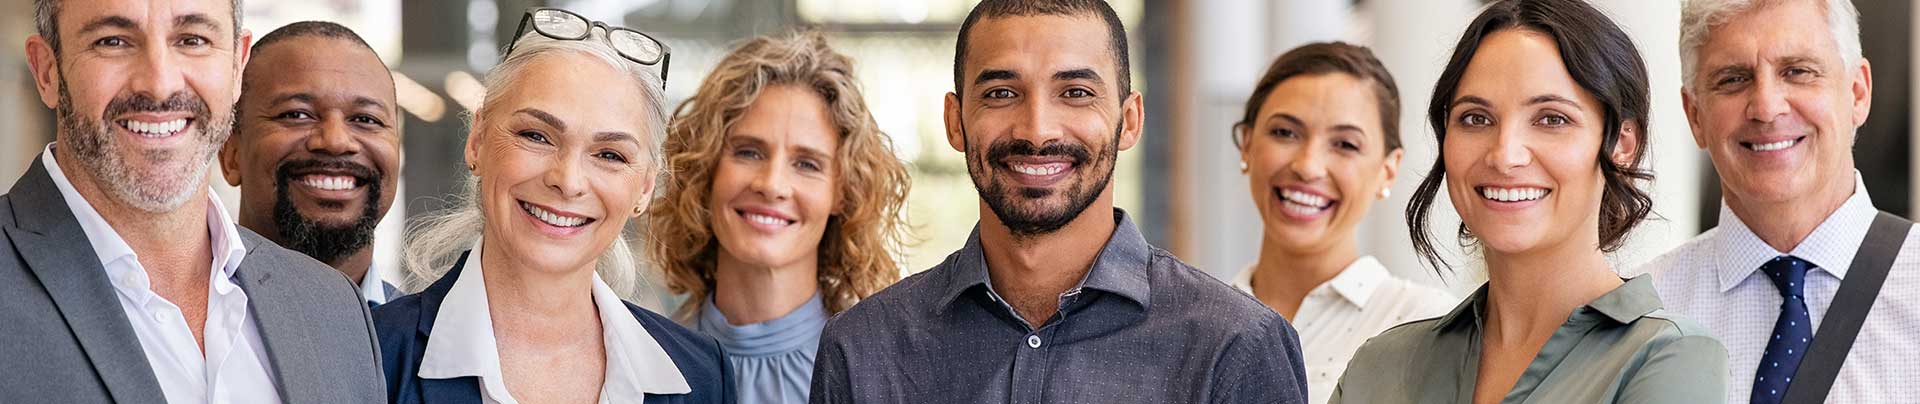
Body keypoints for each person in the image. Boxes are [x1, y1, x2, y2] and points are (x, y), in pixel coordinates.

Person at [809, 1, 1309, 403]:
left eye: (1075, 91)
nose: (1037, 130)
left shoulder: (1236, 346)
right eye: (1002, 93)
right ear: (956, 120)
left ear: (1129, 120)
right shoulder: (862, 349)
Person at [1332, 0, 1727, 403]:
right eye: (1476, 119)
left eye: (1551, 119)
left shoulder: (1669, 357)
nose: (1505, 155)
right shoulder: (1379, 365)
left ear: (1622, 143)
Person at [0, 0, 385, 402]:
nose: (160, 84)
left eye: (193, 40)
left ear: (237, 66)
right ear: (47, 71)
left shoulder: (334, 309)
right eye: (113, 41)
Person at [373, 7, 732, 404]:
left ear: (645, 188)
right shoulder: (372, 353)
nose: (568, 180)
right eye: (537, 135)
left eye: (610, 155)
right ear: (477, 141)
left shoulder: (701, 374)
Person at [1633, 0, 1920, 402]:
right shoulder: (1641, 318)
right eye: (1733, 79)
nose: (1766, 107)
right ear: (1695, 115)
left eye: (1797, 72)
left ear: (1858, 92)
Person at [646, 30, 910, 404]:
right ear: (706, 171)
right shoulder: (643, 361)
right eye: (749, 152)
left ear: (843, 192)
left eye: (807, 164)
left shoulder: (883, 372)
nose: (772, 185)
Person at [1229, 41, 1456, 404]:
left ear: (1388, 169)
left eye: (1345, 145)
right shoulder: (1196, 319)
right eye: (1285, 133)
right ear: (1246, 144)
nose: (1308, 166)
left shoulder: (1430, 326)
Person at [220, 21, 403, 307]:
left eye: (366, 119)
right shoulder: (175, 330)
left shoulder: (436, 342)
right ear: (229, 153)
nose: (336, 141)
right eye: (296, 114)